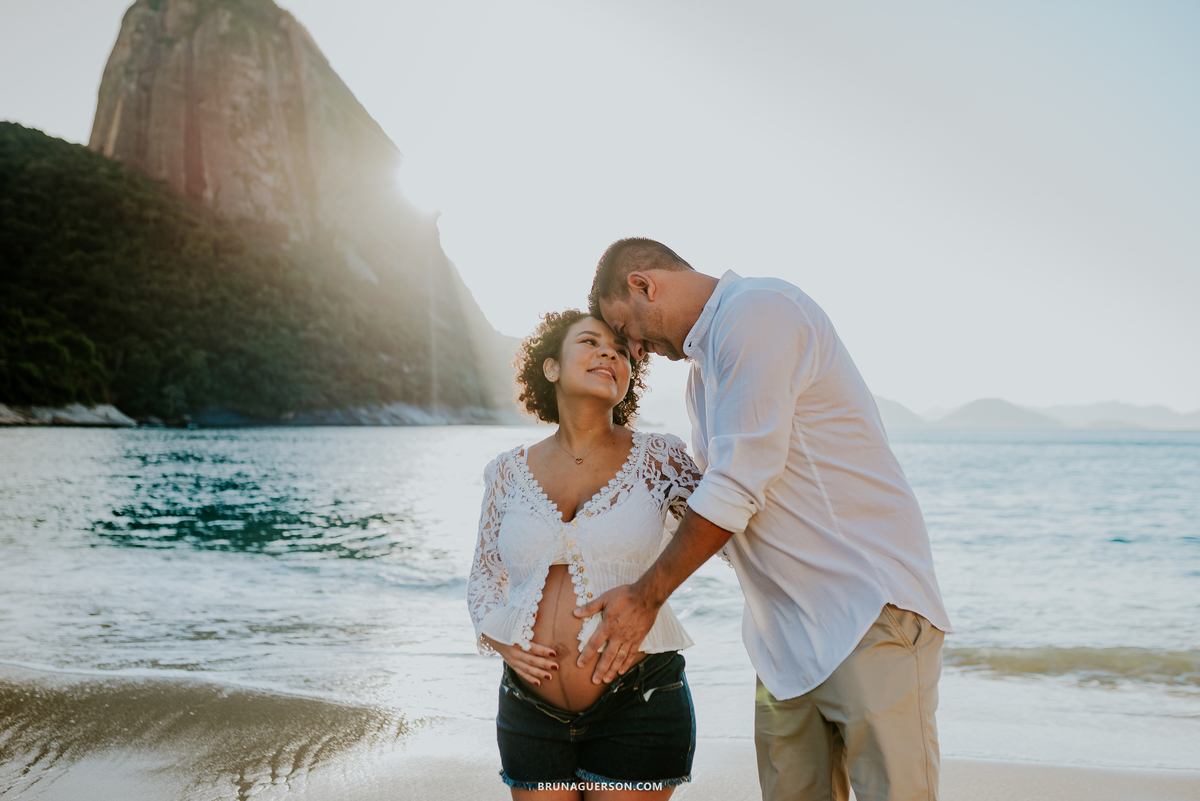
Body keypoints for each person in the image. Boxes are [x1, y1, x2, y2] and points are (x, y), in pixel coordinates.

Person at [576, 238, 952, 801]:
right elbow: (734, 515)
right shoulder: (702, 378)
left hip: (867, 615)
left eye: (626, 329)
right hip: (784, 650)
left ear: (644, 285)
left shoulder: (757, 312)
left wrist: (646, 597)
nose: (635, 350)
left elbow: (736, 487)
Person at [467, 309, 716, 799]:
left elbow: (723, 533)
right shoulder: (506, 473)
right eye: (590, 342)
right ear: (551, 368)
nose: (610, 354)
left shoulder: (660, 458)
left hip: (638, 702)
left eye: (622, 352)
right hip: (527, 711)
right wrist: (501, 640)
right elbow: (484, 578)